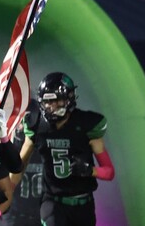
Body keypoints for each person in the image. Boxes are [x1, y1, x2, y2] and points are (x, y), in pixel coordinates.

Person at [15, 72, 115, 226]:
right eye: (47, 102)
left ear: (69, 98)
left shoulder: (85, 123)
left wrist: (90, 170)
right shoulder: (37, 124)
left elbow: (109, 172)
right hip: (53, 202)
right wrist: (5, 191)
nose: (51, 107)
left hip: (83, 204)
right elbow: (19, 165)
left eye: (57, 101)